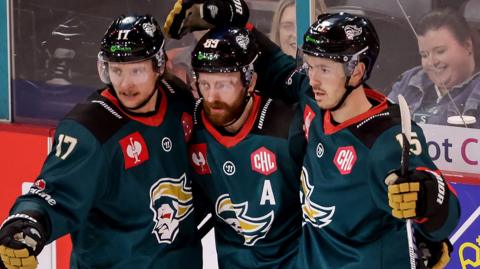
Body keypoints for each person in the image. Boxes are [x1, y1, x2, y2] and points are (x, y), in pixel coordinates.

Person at [165, 2, 462, 268]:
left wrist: (429, 204)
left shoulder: (383, 139)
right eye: (310, 65)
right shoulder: (315, 100)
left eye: (324, 69)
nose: (314, 78)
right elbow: (274, 66)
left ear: (357, 73)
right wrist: (230, 20)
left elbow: (441, 213)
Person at [0, 14, 204, 269]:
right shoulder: (92, 128)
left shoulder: (178, 101)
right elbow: (53, 192)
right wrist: (28, 222)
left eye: (137, 70)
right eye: (116, 70)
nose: (126, 84)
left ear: (159, 66)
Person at [185, 26, 305, 268]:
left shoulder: (287, 128)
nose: (211, 97)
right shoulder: (190, 126)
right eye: (205, 84)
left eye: (224, 85)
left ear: (250, 83)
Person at [388, 8, 480, 128]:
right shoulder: (409, 81)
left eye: (440, 51)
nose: (431, 62)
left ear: (467, 46)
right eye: (424, 55)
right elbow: (378, 125)